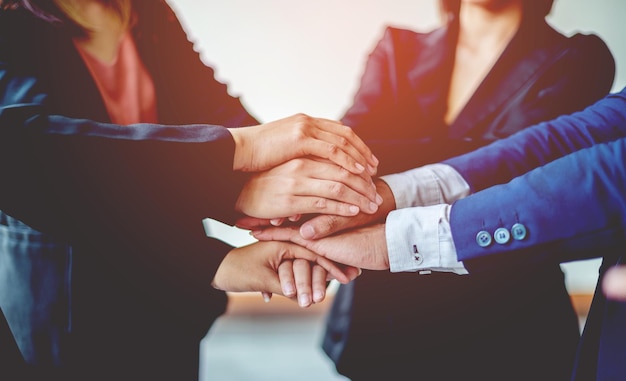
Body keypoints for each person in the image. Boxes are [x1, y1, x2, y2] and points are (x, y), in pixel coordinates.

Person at [0, 1, 381, 380]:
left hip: (166, 297)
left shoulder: (147, 11)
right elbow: (34, 158)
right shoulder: (11, 22)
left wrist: (298, 211)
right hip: (75, 314)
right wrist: (242, 157)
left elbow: (209, 109)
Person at [251, 0, 616, 379]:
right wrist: (301, 228)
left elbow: (528, 165)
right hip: (383, 317)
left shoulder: (578, 57)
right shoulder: (398, 46)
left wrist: (385, 163)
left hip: (506, 319)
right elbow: (349, 152)